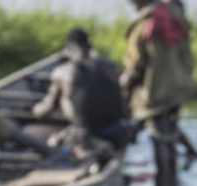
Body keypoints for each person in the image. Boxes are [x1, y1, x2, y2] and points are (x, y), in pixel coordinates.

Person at [120, 0, 196, 186]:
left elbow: (136, 65)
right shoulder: (174, 16)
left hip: (156, 90)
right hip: (178, 86)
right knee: (168, 133)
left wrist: (124, 84)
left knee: (159, 138)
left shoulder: (144, 25)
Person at [32, 28, 129, 157]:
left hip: (85, 136)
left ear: (70, 48)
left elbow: (45, 111)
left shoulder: (63, 72)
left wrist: (34, 110)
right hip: (116, 133)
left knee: (49, 139)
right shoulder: (109, 66)